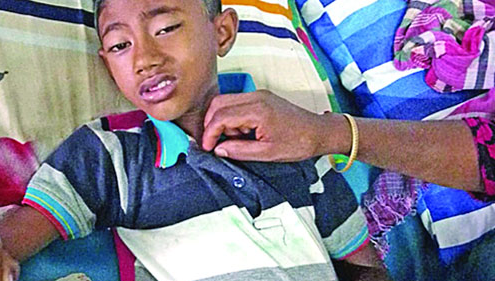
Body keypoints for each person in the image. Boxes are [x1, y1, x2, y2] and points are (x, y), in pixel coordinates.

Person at [0, 0, 393, 281]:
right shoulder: (111, 153)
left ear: (222, 32)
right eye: (119, 45)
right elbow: (11, 237)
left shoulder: (296, 141)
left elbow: (373, 275)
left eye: (167, 28)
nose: (144, 59)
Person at [200, 91, 485, 195]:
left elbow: (374, 277)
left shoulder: (303, 170)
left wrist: (325, 133)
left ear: (223, 32)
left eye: (176, 27)